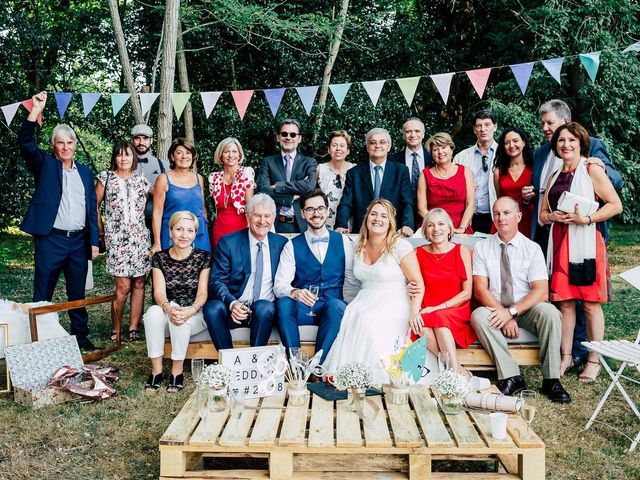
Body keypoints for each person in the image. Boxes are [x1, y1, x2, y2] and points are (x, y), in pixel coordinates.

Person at [524, 99, 623, 368]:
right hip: (559, 244)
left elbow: (615, 205)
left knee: (590, 304)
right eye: (561, 142)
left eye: (570, 140)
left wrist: (587, 218)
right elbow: (543, 214)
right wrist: (551, 217)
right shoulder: (553, 175)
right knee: (565, 303)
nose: (565, 145)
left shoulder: (591, 168)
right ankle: (565, 357)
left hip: (586, 243)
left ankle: (593, 359)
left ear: (580, 142)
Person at [18, 91, 99, 351]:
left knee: (78, 292)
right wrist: (36, 109)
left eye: (70, 142)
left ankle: (81, 336)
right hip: (51, 238)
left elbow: (91, 210)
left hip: (78, 241)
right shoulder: (44, 165)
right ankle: (39, 336)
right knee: (43, 292)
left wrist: (94, 242)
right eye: (60, 143)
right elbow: (25, 142)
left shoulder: (85, 173)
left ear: (75, 145)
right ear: (54, 145)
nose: (65, 147)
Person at [470, 196, 570, 403]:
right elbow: (480, 289)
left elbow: (541, 291)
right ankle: (512, 376)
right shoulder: (482, 247)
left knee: (551, 312)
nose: (501, 218)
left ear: (518, 216)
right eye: (496, 213)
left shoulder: (531, 248)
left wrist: (512, 313)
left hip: (526, 309)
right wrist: (504, 315)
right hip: (494, 308)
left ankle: (551, 379)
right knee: (478, 315)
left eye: (506, 213)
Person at [324, 199, 425, 385]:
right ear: (367, 217)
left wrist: (414, 311)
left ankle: (378, 380)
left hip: (394, 298)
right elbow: (352, 283)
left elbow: (418, 283)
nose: (378, 219)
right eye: (374, 214)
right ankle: (351, 377)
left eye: (384, 216)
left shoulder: (399, 246)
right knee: (352, 315)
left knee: (369, 321)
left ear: (390, 222)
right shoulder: (358, 246)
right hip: (364, 298)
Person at [274, 189, 359, 363]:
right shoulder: (292, 245)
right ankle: (295, 363)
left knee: (336, 306)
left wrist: (351, 308)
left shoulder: (343, 241)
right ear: (303, 214)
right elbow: (280, 284)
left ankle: (318, 366)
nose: (316, 214)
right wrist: (295, 292)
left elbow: (351, 280)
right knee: (283, 303)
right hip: (303, 308)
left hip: (332, 306)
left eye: (320, 208)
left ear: (327, 212)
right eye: (310, 209)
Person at [203, 194, 287, 350]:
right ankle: (227, 364)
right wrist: (232, 303)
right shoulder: (228, 242)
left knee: (264, 307)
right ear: (248, 216)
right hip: (235, 306)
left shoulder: (282, 244)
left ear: (274, 217)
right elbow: (216, 280)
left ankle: (254, 363)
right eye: (257, 215)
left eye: (267, 216)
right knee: (212, 308)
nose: (262, 221)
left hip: (265, 311)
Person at [144, 211, 212, 392]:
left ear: (195, 234)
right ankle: (156, 371)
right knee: (152, 313)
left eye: (190, 230)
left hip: (195, 314)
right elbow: (158, 292)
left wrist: (190, 310)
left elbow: (203, 293)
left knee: (179, 318)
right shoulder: (160, 258)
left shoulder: (204, 257)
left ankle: (177, 371)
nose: (184, 235)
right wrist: (167, 307)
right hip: (168, 310)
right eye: (179, 229)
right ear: (170, 230)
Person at [96, 142, 151, 342]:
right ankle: (116, 328)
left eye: (127, 155)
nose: (123, 158)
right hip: (116, 238)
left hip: (139, 238)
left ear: (133, 157)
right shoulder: (106, 178)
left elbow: (161, 198)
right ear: (115, 158)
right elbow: (95, 206)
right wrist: (100, 233)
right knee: (123, 287)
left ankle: (134, 328)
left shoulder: (142, 181)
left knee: (139, 283)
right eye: (119, 155)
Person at [416, 209, 475, 377]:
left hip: (456, 308)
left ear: (450, 229)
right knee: (419, 325)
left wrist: (438, 308)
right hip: (427, 308)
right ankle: (457, 370)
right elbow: (412, 283)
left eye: (441, 224)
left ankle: (453, 372)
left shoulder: (461, 251)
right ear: (425, 230)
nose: (436, 229)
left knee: (440, 321)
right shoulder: (418, 253)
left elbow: (467, 292)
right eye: (430, 225)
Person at [335, 128, 414, 236]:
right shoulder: (354, 173)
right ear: (367, 147)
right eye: (373, 143)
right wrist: (341, 225)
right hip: (362, 232)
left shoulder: (401, 171)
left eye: (382, 142)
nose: (377, 145)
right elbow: (346, 203)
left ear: (389, 146)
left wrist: (407, 225)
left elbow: (407, 202)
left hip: (393, 232)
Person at [257, 119, 318, 233]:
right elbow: (262, 190)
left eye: (293, 134)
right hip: (274, 224)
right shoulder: (267, 162)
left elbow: (309, 185)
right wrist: (290, 197)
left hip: (302, 224)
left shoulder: (309, 162)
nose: (288, 137)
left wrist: (279, 186)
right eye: (284, 134)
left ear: (299, 139)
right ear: (278, 137)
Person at [151, 138, 210, 255]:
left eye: (188, 153)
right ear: (172, 157)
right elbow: (157, 213)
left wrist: (206, 230)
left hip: (199, 234)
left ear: (192, 157)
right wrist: (157, 243)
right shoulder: (163, 179)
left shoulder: (199, 178)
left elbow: (202, 209)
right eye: (179, 153)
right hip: (173, 235)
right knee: (174, 271)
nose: (184, 156)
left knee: (200, 270)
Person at [417, 133, 474, 234]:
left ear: (451, 149)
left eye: (443, 147)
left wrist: (462, 228)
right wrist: (438, 226)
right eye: (435, 149)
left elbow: (470, 204)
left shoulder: (465, 171)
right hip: (433, 229)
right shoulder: (425, 174)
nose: (440, 152)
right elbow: (421, 208)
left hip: (459, 227)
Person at [453, 110, 499, 234]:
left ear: (495, 126)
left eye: (487, 125)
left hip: (494, 214)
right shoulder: (461, 157)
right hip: (468, 216)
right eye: (479, 126)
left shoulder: (504, 154)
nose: (483, 129)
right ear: (474, 129)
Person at [208, 137, 255, 248]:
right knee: (221, 263)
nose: (230, 155)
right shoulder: (213, 177)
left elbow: (250, 205)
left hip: (242, 229)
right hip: (220, 230)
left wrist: (251, 230)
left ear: (239, 154)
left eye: (234, 151)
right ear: (220, 154)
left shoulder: (246, 172)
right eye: (226, 151)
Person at [389, 117, 434, 228]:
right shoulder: (392, 161)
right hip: (400, 217)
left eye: (417, 131)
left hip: (429, 214)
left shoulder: (434, 159)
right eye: (408, 131)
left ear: (423, 134)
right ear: (404, 135)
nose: (413, 135)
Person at [492, 128, 534, 236]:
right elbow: (500, 200)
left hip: (529, 219)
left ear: (523, 142)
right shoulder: (498, 172)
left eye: (515, 141)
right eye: (507, 143)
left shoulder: (534, 169)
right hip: (505, 221)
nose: (511, 145)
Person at [130, 124, 169, 230]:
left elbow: (173, 193)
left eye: (145, 138)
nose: (141, 142)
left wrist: (157, 191)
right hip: (131, 224)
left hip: (159, 222)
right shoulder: (124, 164)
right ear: (132, 140)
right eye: (137, 138)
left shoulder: (164, 165)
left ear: (151, 140)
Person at [317, 131, 355, 229]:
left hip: (349, 223)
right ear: (329, 149)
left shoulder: (355, 170)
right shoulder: (319, 169)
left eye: (342, 145)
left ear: (348, 150)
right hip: (323, 222)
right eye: (334, 145)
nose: (338, 149)